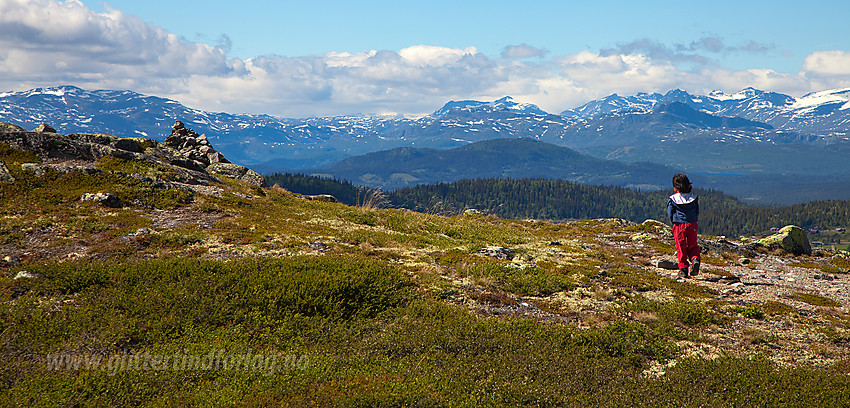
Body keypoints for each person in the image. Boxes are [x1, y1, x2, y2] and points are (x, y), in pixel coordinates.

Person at [666, 173, 700, 278]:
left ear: (675, 187)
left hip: (679, 225)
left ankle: (683, 269)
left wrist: (673, 221)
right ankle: (695, 259)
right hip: (693, 224)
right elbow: (696, 211)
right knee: (693, 244)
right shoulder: (693, 198)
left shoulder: (673, 199)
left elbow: (670, 212)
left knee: (681, 247)